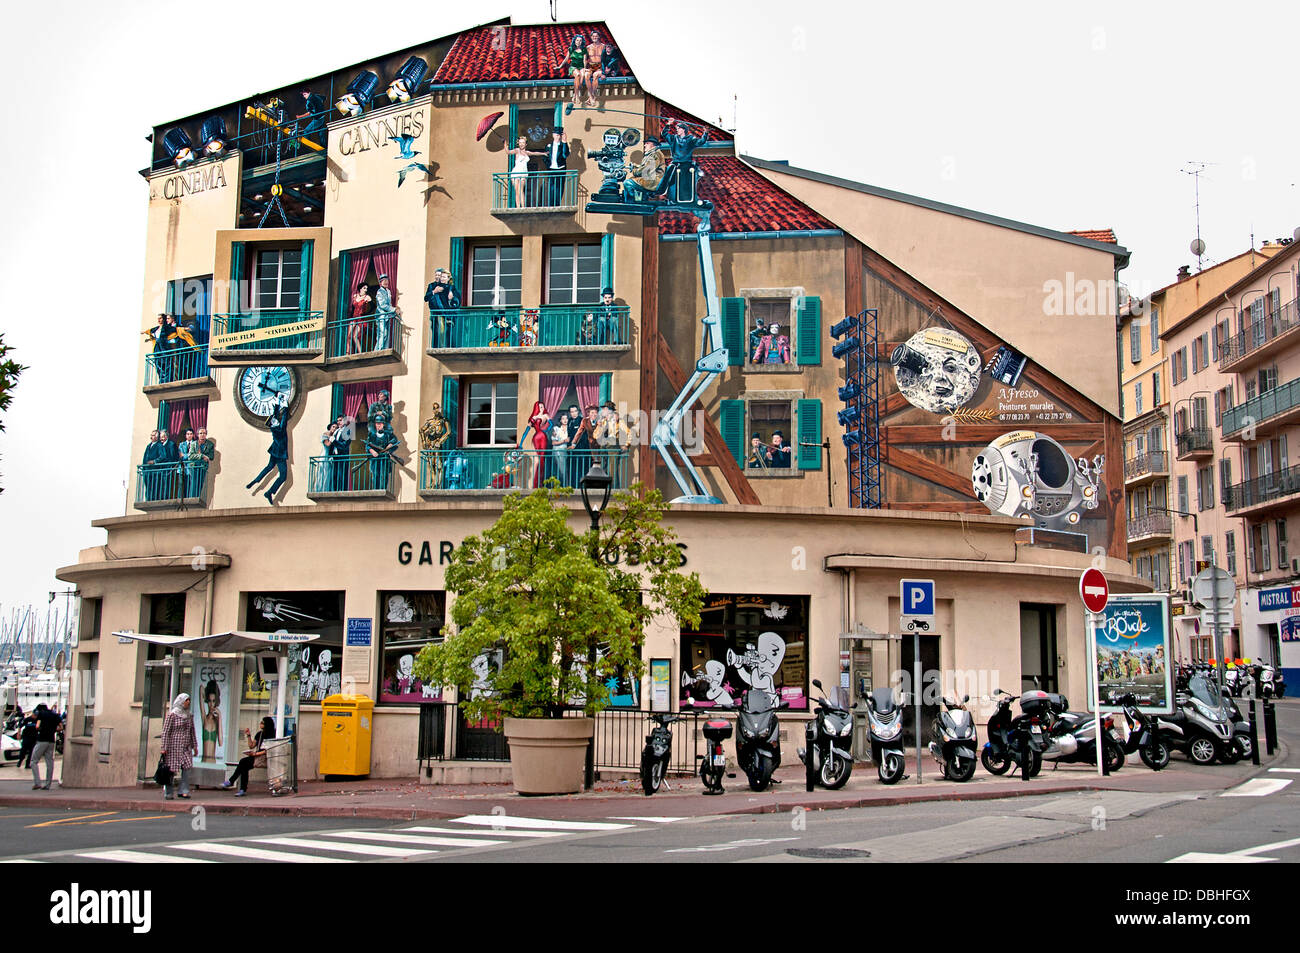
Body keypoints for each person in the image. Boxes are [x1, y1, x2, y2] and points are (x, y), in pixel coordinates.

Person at [246, 403, 289, 504]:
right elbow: (284, 420)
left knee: (269, 467)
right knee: (283, 476)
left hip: (274, 451)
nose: (276, 420)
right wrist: (286, 408)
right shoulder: (280, 429)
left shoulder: (274, 428)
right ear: (272, 424)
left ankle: (255, 481)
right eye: (274, 421)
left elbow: (275, 417)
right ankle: (269, 492)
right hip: (280, 455)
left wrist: (277, 406)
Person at [221, 717, 275, 797]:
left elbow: (268, 750)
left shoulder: (271, 735)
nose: (260, 724)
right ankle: (241, 788)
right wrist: (248, 735)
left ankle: (233, 782)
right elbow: (251, 745)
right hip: (256, 756)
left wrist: (254, 754)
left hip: (264, 758)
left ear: (267, 724)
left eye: (262, 723)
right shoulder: (259, 734)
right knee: (244, 766)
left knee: (243, 762)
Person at [160, 693, 197, 800]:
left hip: (186, 747)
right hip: (173, 747)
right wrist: (164, 748)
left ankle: (184, 791)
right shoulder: (172, 715)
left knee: (186, 767)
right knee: (171, 770)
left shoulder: (189, 715)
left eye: (189, 700)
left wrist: (194, 746)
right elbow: (166, 731)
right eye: (186, 700)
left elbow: (192, 731)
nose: (188, 702)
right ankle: (169, 792)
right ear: (181, 701)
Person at [424, 268, 462, 348]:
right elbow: (426, 298)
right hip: (437, 313)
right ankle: (438, 347)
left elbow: (456, 300)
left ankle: (448, 347)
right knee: (438, 332)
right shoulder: (433, 286)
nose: (439, 277)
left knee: (447, 332)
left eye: (441, 276)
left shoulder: (451, 288)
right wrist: (434, 291)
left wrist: (452, 298)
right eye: (438, 276)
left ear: (448, 278)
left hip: (447, 314)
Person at [507, 136, 544, 208]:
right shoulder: (517, 150)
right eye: (520, 143)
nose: (521, 144)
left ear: (526, 144)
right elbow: (508, 152)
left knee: (521, 190)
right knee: (517, 191)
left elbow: (535, 153)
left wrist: (544, 153)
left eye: (523, 143)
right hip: (516, 172)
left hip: (523, 173)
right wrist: (505, 145)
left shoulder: (527, 152)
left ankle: (523, 207)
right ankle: (518, 207)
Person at [29, 704, 60, 790]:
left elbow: (37, 726)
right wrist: (52, 730)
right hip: (51, 740)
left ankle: (37, 783)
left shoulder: (41, 714)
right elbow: (60, 727)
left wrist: (42, 729)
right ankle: (48, 784)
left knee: (33, 761)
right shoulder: (55, 714)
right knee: (49, 762)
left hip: (42, 739)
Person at [366, 417, 400, 489]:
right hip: (375, 460)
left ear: (383, 424)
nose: (378, 425)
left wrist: (390, 445)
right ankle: (376, 491)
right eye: (377, 424)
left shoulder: (388, 434)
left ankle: (383, 489)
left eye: (380, 424)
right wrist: (372, 451)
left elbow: (394, 440)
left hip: (385, 459)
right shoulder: (372, 435)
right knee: (375, 475)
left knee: (384, 475)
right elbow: (367, 446)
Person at [557, 34, 588, 110]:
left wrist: (584, 68)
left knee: (582, 76)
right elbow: (566, 59)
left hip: (581, 66)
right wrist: (560, 66)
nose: (579, 42)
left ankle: (574, 94)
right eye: (577, 40)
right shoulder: (571, 49)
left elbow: (584, 60)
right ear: (574, 41)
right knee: (577, 75)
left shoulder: (584, 50)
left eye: (580, 41)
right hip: (573, 67)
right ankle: (577, 95)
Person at [526, 400, 551, 488]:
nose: (542, 408)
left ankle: (540, 482)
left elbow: (551, 425)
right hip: (536, 437)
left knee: (542, 459)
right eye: (540, 407)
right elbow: (527, 430)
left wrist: (545, 430)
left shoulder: (545, 416)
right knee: (537, 461)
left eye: (543, 406)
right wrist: (521, 443)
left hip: (543, 437)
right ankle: (536, 483)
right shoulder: (534, 417)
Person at [544, 129, 570, 206]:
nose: (558, 137)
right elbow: (545, 157)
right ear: (553, 135)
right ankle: (551, 205)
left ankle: (557, 204)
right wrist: (548, 165)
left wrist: (565, 142)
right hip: (551, 169)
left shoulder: (562, 145)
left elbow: (565, 155)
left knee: (559, 188)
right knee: (551, 188)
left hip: (560, 169)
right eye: (556, 135)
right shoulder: (549, 146)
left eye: (559, 135)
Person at [374, 275, 399, 351]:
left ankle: (384, 349)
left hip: (387, 317)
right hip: (381, 316)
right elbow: (383, 305)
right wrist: (394, 309)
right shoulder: (379, 292)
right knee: (382, 334)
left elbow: (389, 304)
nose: (386, 282)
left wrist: (394, 314)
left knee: (387, 335)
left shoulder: (388, 291)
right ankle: (378, 351)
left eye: (387, 280)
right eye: (383, 280)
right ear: (381, 282)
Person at [200, 679, 222, 762]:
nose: (211, 704)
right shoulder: (204, 718)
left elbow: (220, 742)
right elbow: (201, 688)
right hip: (203, 761)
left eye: (213, 701)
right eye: (209, 701)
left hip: (213, 762)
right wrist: (210, 689)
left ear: (216, 702)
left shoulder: (217, 720)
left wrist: (219, 716)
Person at [583, 30, 606, 107]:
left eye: (596, 36)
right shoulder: (588, 47)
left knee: (596, 75)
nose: (594, 38)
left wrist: (604, 71)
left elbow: (606, 59)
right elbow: (585, 59)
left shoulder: (603, 47)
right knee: (586, 75)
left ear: (599, 37)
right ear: (591, 37)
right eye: (593, 36)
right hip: (591, 66)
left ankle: (591, 97)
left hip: (600, 66)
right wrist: (584, 68)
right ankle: (591, 97)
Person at [349, 282, 372, 354]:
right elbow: (353, 308)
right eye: (364, 288)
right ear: (360, 288)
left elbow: (373, 306)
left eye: (367, 288)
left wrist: (366, 313)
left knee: (355, 336)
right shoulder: (355, 296)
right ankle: (347, 352)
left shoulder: (367, 297)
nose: (366, 290)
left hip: (361, 319)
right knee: (349, 336)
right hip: (353, 318)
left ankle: (360, 352)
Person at [550, 411, 571, 485]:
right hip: (558, 451)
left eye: (566, 418)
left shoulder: (570, 428)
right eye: (563, 419)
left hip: (566, 451)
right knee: (561, 470)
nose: (565, 420)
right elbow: (553, 443)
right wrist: (564, 441)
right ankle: (563, 486)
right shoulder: (556, 429)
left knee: (566, 469)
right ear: (560, 420)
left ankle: (566, 485)